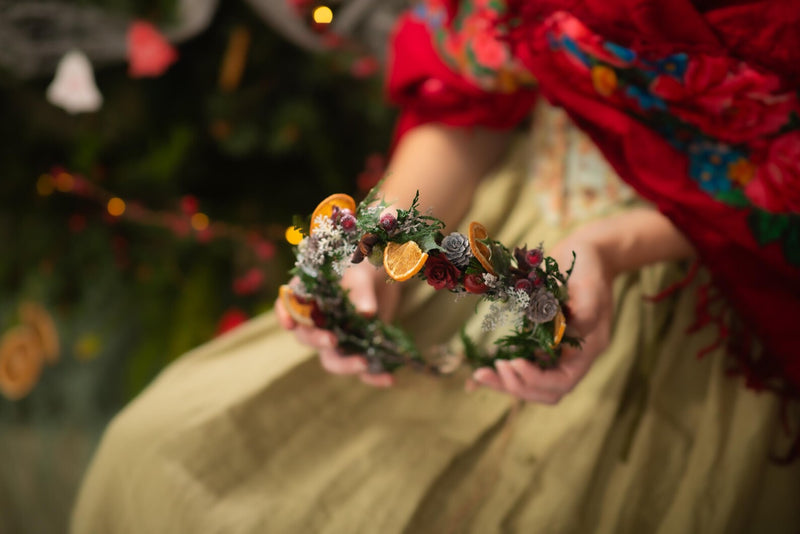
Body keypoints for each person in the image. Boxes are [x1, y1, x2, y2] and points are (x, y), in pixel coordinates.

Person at [72, 1, 800, 532]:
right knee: (157, 458)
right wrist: (381, 240)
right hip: (501, 220)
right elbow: (469, 96)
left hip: (709, 265)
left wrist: (613, 249)